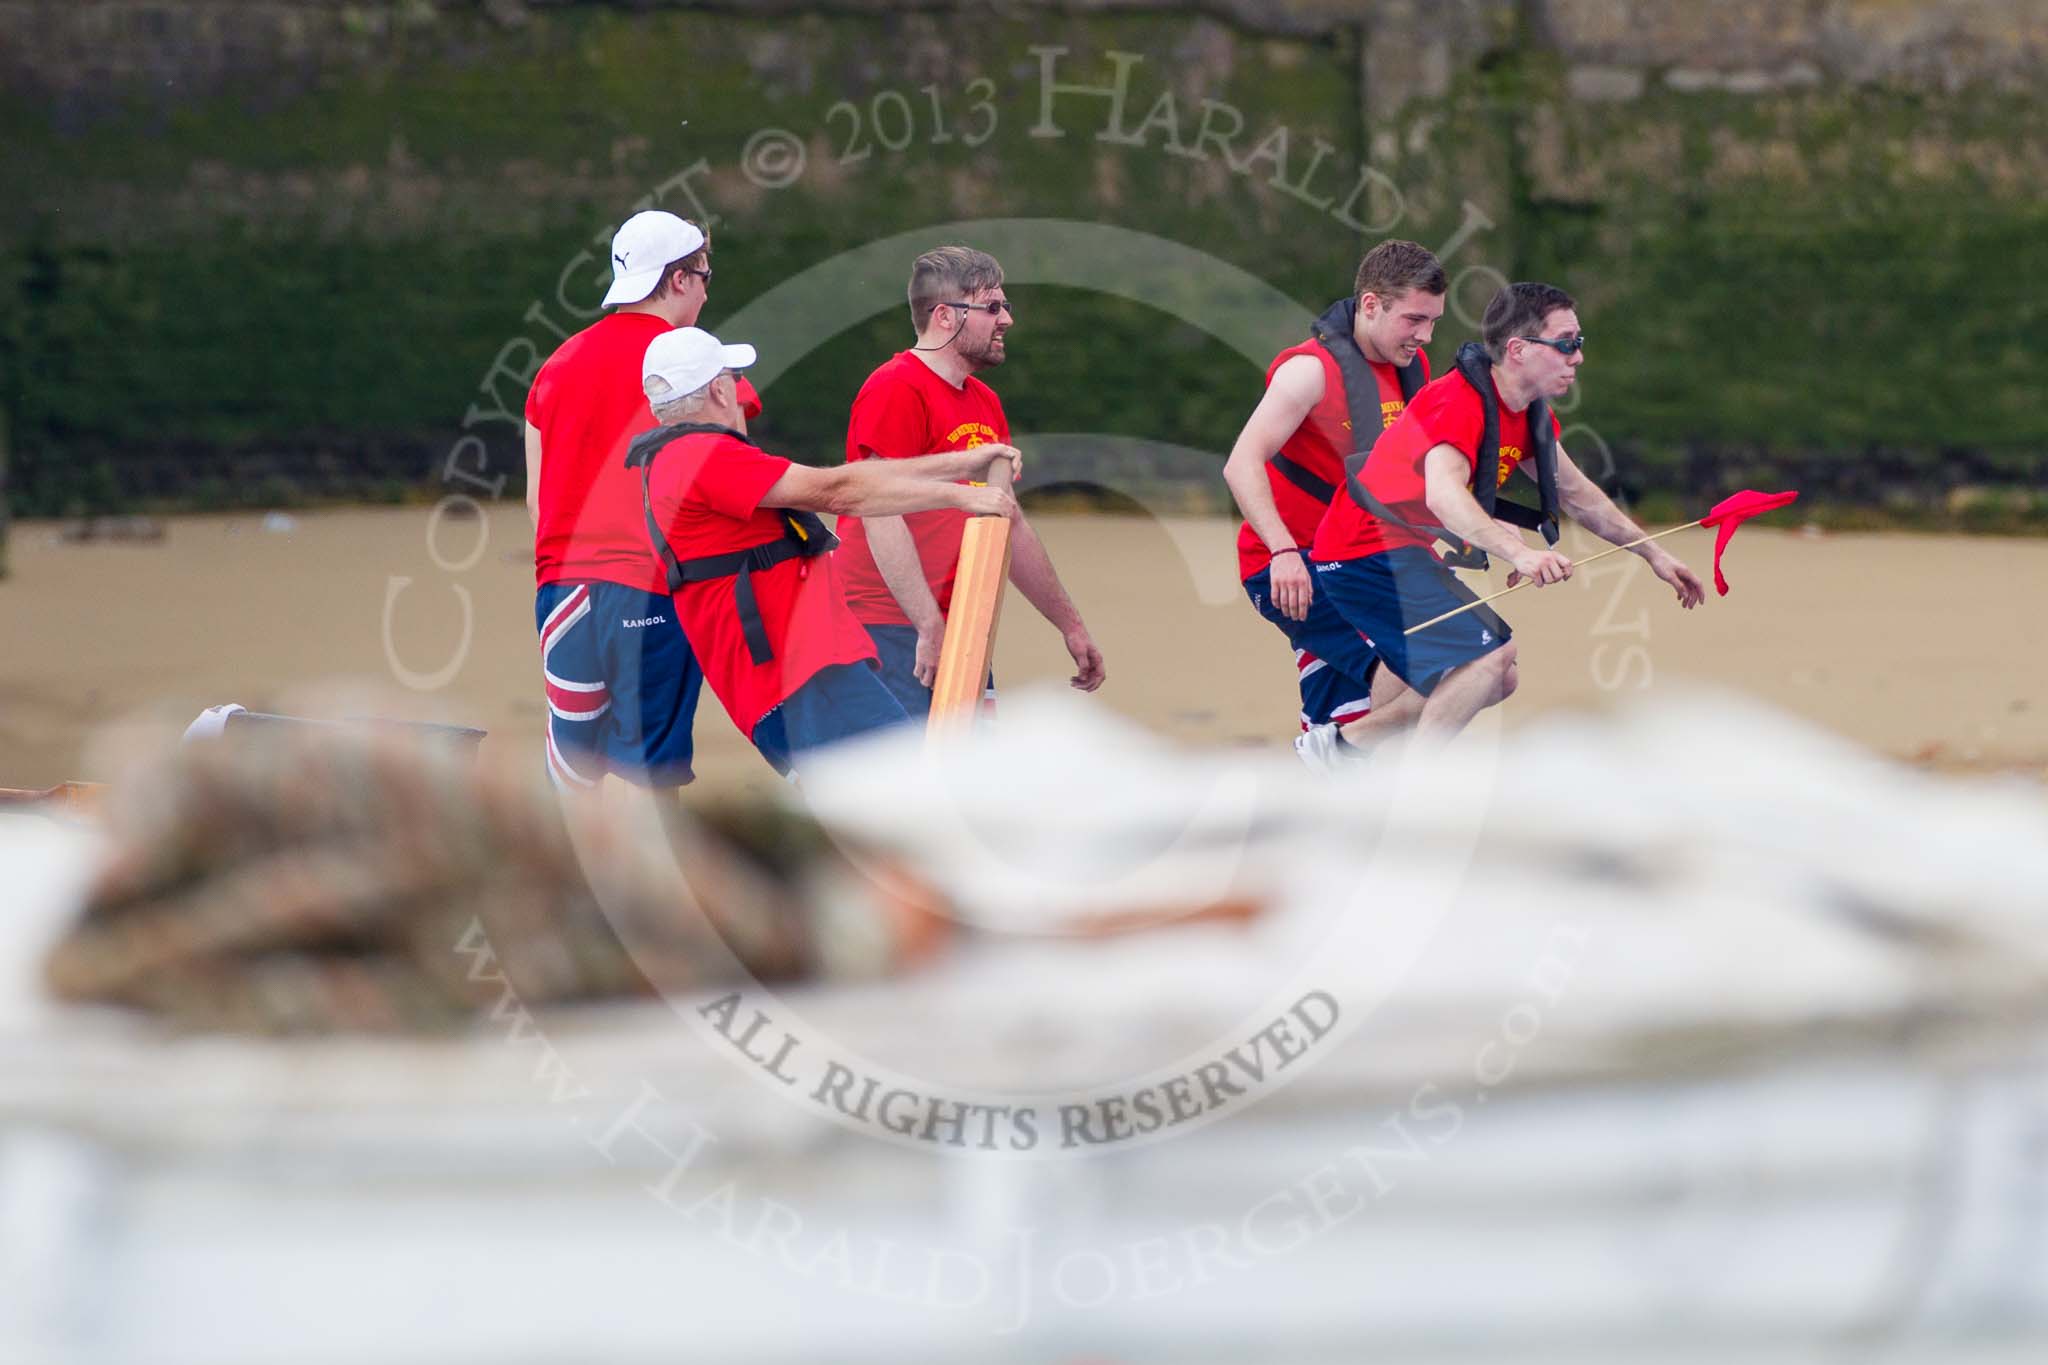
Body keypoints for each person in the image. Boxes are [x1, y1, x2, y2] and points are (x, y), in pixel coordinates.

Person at [1304, 281, 1706, 755]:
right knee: (1491, 656)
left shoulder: (1525, 411)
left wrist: (1653, 555)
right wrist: (1519, 552)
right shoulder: (1458, 401)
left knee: (1494, 678)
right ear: (1518, 349)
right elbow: (1444, 495)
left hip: (1398, 551)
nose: (1577, 357)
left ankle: (1343, 749)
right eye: (1566, 344)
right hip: (1362, 552)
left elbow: (1580, 497)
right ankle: (1409, 784)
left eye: (1580, 343)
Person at [631, 328, 1020, 774]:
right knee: (910, 804)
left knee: (873, 817)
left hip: (791, 682)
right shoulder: (707, 457)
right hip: (802, 679)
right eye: (732, 377)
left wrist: (958, 463)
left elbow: (853, 480)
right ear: (719, 389)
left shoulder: (675, 458)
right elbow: (837, 491)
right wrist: (960, 493)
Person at [523, 209, 761, 791]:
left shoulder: (556, 364)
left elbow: (537, 502)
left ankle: (559, 880)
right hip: (655, 590)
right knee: (647, 783)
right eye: (705, 276)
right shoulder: (697, 361)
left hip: (561, 596)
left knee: (571, 779)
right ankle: (650, 885)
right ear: (679, 280)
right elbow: (735, 473)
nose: (706, 292)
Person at [832, 245, 1104, 719]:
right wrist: (928, 628)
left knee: (975, 777)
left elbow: (1007, 521)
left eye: (1006, 307)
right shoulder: (896, 387)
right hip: (888, 623)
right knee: (917, 781)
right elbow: (880, 511)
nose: (1007, 321)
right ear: (944, 316)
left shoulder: (984, 402)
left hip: (956, 620)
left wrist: (1071, 626)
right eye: (992, 307)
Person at [1221, 239, 1446, 747]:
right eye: (1414, 319)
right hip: (1288, 564)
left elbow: (1405, 477)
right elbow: (1241, 464)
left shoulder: (1412, 371)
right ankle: (1339, 759)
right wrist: (1282, 552)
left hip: (1357, 557)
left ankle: (1327, 765)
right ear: (1371, 304)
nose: (1426, 336)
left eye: (1433, 321)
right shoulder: (1311, 370)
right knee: (1433, 670)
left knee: (1343, 703)